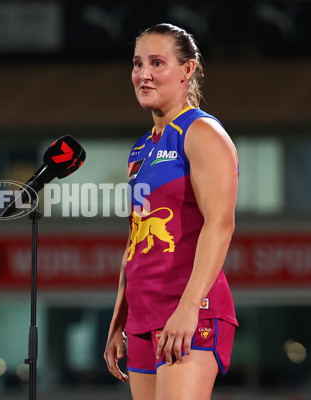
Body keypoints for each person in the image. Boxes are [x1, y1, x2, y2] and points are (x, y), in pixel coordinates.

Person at [104, 23, 239, 400]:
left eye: (157, 63)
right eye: (137, 63)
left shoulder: (202, 133)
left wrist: (188, 308)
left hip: (191, 310)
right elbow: (136, 240)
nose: (143, 74)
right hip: (144, 315)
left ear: (187, 70)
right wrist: (120, 321)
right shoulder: (140, 150)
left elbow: (221, 224)